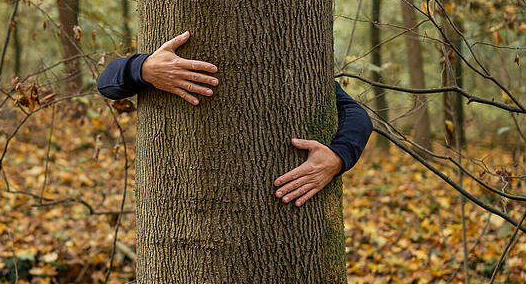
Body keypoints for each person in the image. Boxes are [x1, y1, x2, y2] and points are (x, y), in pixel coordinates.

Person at [96, 30, 372, 207]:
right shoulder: (163, 64)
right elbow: (107, 82)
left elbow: (356, 114)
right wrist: (143, 68)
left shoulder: (295, 70)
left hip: (281, 208)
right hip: (177, 200)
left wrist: (337, 157)